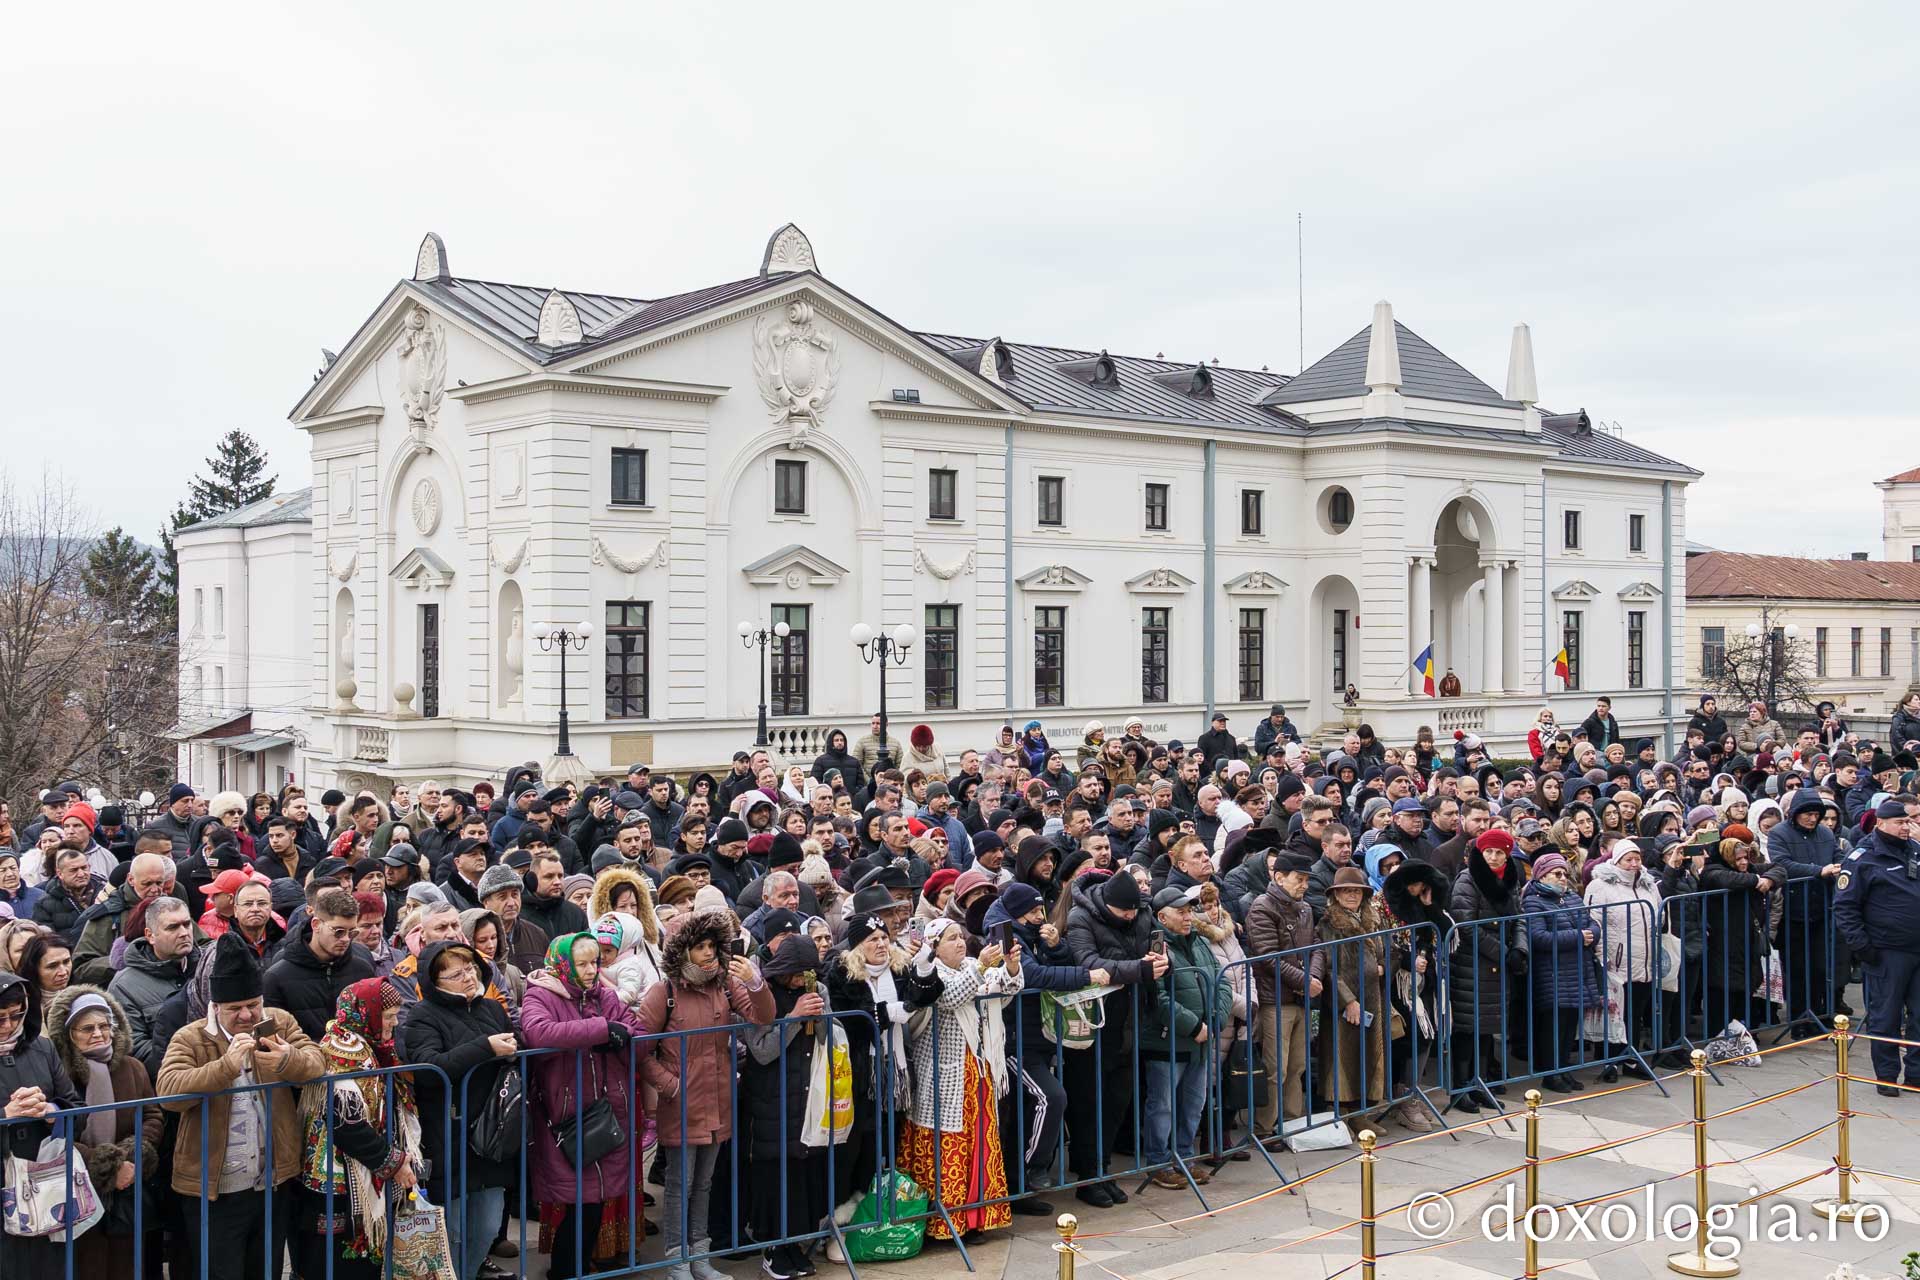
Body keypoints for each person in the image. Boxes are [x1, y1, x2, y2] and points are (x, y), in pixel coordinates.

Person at [155, 932, 325, 1280]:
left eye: (253, 1004)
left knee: (267, 1271)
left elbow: (316, 1064)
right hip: (215, 1191)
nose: (247, 1014)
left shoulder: (278, 1021)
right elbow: (168, 1093)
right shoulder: (191, 1036)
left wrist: (286, 1058)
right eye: (235, 1009)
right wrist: (226, 1067)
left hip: (272, 1183)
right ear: (215, 1006)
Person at [634, 909, 775, 1280]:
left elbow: (763, 1017)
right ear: (682, 950)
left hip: (717, 1099)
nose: (709, 952)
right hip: (682, 1103)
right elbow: (639, 1049)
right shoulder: (662, 992)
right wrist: (671, 1084)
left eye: (713, 945)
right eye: (700, 946)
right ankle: (676, 1261)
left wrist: (755, 981)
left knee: (704, 1183)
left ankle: (699, 1258)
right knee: (680, 1185)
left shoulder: (725, 985)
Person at [396, 939, 521, 1280]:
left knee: (486, 1228)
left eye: (470, 968)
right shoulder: (423, 1015)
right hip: (449, 1134)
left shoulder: (492, 1008)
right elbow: (429, 1067)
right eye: (456, 973)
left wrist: (513, 1050)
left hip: (493, 1133)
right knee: (451, 1231)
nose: (467, 977)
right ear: (435, 982)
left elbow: (516, 1042)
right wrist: (485, 1047)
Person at [897, 916, 1022, 1242]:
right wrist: (981, 968)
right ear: (934, 947)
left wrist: (1009, 968)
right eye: (951, 938)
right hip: (944, 1076)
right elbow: (951, 997)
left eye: (960, 936)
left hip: (978, 1070)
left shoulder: (970, 964)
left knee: (978, 1143)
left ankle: (977, 1217)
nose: (960, 942)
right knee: (948, 1147)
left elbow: (1004, 993)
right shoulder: (928, 972)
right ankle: (944, 1223)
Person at [296, 976, 425, 1280]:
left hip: (360, 1168)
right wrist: (393, 1162)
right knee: (335, 1263)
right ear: (366, 1014)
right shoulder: (344, 1051)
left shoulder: (366, 1045)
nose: (394, 1023)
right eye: (389, 1016)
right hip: (338, 1176)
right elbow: (347, 1124)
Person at [41, 986, 163, 1275]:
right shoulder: (60, 1072)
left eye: (104, 1025)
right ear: (70, 1033)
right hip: (76, 1188)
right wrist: (104, 1164)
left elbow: (153, 1116)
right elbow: (56, 1131)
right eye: (87, 1028)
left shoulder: (132, 1067)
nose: (98, 1033)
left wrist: (129, 1159)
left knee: (127, 1265)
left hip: (127, 1187)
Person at [1062, 866, 1165, 1208]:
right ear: (1108, 904)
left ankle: (1104, 1170)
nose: (1131, 916)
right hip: (1092, 1023)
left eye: (1135, 910)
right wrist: (1140, 968)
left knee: (1119, 1099)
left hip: (1130, 1020)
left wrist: (1162, 960)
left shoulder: (1143, 913)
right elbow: (1089, 963)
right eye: (1125, 912)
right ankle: (1089, 1176)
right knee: (1090, 1102)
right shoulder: (1082, 917)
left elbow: (1162, 949)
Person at [741, 933, 837, 1279]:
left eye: (810, 971)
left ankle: (794, 1244)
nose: (803, 979)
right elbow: (762, 1050)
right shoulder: (763, 995)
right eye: (799, 972)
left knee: (803, 1170)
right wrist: (794, 1017)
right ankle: (773, 1247)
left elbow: (827, 1038)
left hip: (808, 1092)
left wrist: (822, 1014)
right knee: (774, 1169)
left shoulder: (818, 991)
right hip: (771, 1094)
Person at [1832, 798, 1920, 1096]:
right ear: (1881, 823)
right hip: (1886, 951)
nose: (1906, 827)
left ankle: (1916, 1076)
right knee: (1886, 1016)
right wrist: (1864, 949)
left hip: (1916, 948)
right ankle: (1886, 1077)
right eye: (1900, 822)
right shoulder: (1862, 858)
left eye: (1908, 821)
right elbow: (1845, 908)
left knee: (1919, 1016)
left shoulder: (1915, 851)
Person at [1137, 884, 1223, 1187]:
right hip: (1167, 1041)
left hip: (1202, 1038)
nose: (1188, 917)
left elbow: (1220, 979)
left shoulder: (1199, 942)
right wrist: (1194, 1026)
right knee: (1163, 1105)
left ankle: (1185, 1156)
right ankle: (1158, 1163)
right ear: (1162, 916)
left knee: (1194, 1102)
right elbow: (1158, 999)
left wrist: (1216, 1019)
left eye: (1189, 911)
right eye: (1181, 912)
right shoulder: (1155, 949)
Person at [0, 972, 81, 1280]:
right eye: (0, 1019)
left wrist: (52, 1110)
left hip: (43, 1181)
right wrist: (6, 1114)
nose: (8, 1026)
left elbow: (77, 1107)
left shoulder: (42, 1048)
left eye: (16, 1016)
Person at [1446, 830, 1523, 1111]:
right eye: (1488, 851)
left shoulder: (1510, 878)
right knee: (1468, 1028)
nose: (1493, 857)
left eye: (1499, 852)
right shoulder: (1468, 879)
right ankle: (1460, 1087)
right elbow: (1465, 925)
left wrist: (1519, 949)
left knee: (1487, 1029)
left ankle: (1479, 1084)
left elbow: (1519, 917)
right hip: (1472, 964)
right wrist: (1503, 952)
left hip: (1498, 966)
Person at [1581, 840, 1661, 1081]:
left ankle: (1630, 1057)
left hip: (1645, 958)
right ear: (1616, 861)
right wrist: (1601, 956)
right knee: (1613, 1012)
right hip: (1616, 959)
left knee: (1634, 1011)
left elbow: (1659, 912)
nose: (1634, 864)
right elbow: (1593, 920)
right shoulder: (1600, 885)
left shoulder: (1648, 884)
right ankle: (1609, 1061)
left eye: (1637, 859)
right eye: (1629, 859)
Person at [1521, 852, 1601, 1093]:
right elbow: (1539, 937)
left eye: (1565, 873)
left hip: (1577, 970)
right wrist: (1577, 937)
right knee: (1554, 1026)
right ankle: (1551, 1073)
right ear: (1542, 875)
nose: (1563, 878)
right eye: (1557, 873)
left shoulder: (1572, 897)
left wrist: (1590, 935)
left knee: (1569, 1026)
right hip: (1553, 972)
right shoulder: (1533, 901)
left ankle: (1564, 1068)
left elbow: (1592, 923)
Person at [1318, 867, 1390, 1119]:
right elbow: (1328, 967)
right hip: (1345, 1001)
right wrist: (1347, 1001)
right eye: (1346, 891)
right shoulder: (1328, 923)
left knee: (1370, 1054)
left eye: (1356, 891)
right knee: (1343, 1056)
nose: (1351, 895)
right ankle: (1343, 1114)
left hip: (1373, 997)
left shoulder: (1373, 919)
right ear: (1336, 894)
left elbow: (1389, 951)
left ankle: (1363, 1113)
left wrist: (1384, 967)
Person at [263, 887, 378, 1042]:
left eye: (352, 933)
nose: (345, 939)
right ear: (316, 924)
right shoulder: (276, 977)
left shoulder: (363, 970)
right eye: (338, 932)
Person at [1695, 824, 1776, 1038]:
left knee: (1746, 985)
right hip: (1722, 939)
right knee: (1722, 988)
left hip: (1746, 938)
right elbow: (1730, 880)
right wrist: (1758, 880)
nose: (1743, 863)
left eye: (1746, 858)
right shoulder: (1713, 872)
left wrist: (1769, 878)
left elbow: (1779, 868)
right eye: (1738, 859)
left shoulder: (1750, 868)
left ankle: (1743, 1031)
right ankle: (1719, 1034)